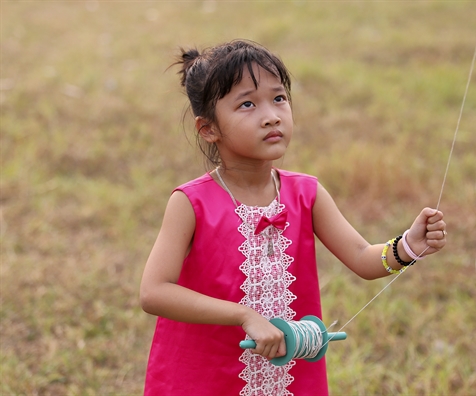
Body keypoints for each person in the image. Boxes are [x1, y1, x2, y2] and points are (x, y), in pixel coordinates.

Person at [140, 39, 447, 396]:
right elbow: (154, 292)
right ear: (209, 129)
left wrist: (408, 245)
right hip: (206, 376)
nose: (271, 115)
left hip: (287, 374)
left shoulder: (307, 194)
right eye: (247, 104)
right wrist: (244, 315)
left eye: (279, 98)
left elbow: (363, 258)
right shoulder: (191, 203)